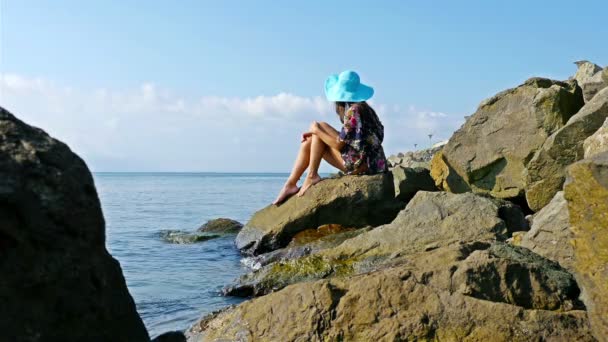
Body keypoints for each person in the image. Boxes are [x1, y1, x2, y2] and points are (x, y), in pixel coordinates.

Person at [273, 70, 388, 205]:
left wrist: (316, 131)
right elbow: (355, 140)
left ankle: (311, 176)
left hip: (363, 166)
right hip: (374, 163)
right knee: (319, 129)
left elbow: (340, 145)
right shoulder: (366, 110)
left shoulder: (353, 111)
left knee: (317, 133)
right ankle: (291, 184)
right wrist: (317, 130)